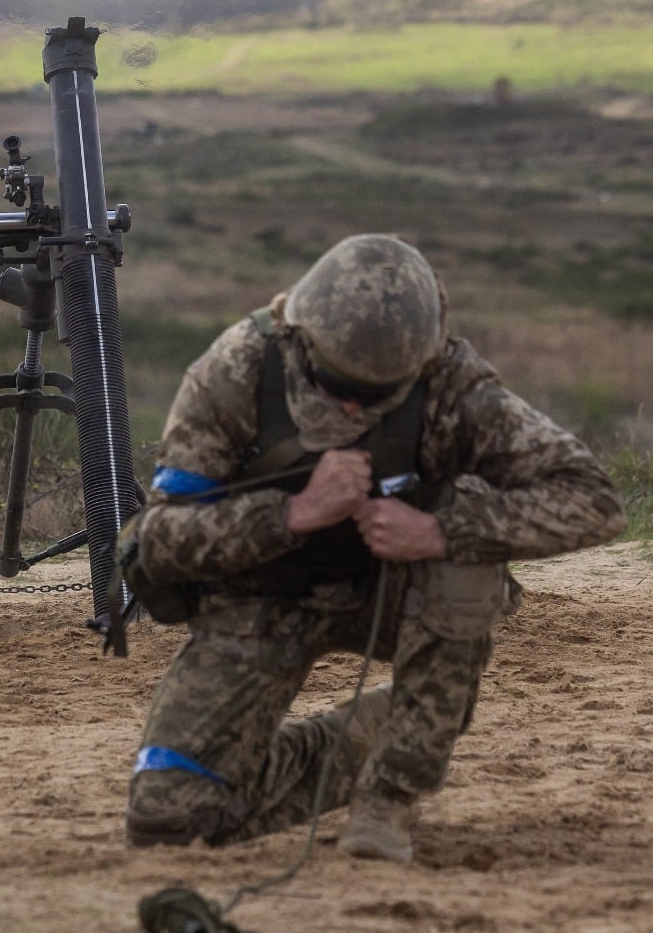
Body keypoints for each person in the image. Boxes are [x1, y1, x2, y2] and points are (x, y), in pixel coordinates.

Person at [118, 233, 626, 864]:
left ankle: (391, 788)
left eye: (375, 392)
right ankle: (359, 740)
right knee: (169, 820)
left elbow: (594, 499)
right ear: (300, 339)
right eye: (337, 384)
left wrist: (439, 532)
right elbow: (160, 541)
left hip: (397, 592)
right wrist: (293, 514)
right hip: (262, 596)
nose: (353, 405)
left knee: (465, 566)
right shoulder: (236, 370)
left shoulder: (453, 386)